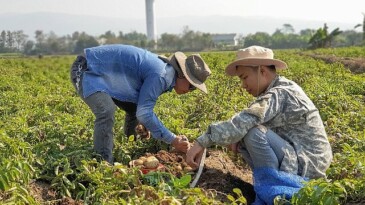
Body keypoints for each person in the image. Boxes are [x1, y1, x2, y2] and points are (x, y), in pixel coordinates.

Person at [186, 46, 332, 203]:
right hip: (303, 160)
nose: (243, 85)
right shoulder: (281, 88)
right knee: (246, 133)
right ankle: (269, 190)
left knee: (254, 133)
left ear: (262, 71)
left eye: (244, 77)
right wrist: (237, 137)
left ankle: (274, 195)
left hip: (308, 166)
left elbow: (246, 120)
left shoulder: (280, 93)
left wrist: (202, 141)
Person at [70, 44, 211, 164]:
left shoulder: (166, 73)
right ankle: (104, 164)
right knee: (106, 111)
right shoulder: (162, 76)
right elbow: (145, 112)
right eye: (192, 86)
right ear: (182, 75)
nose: (190, 91)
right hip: (87, 68)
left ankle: (130, 149)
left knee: (134, 109)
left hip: (106, 75)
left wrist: (144, 123)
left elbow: (141, 106)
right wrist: (173, 140)